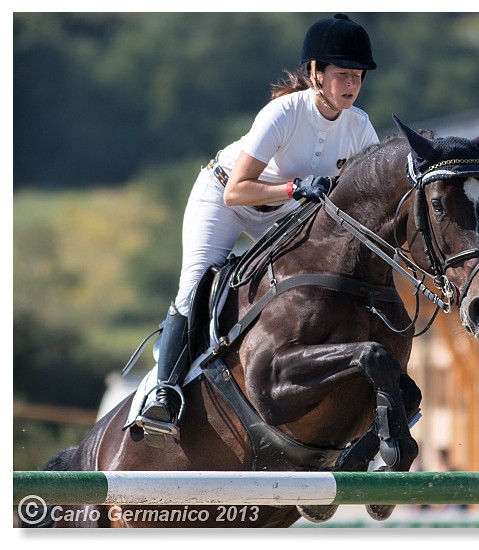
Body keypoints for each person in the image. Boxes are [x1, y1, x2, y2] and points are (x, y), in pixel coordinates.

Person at [137, 13, 379, 441]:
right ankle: (165, 392)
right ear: (316, 74)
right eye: (342, 74)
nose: (352, 85)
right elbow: (237, 190)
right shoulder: (284, 112)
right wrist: (295, 187)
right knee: (195, 285)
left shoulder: (359, 126)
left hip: (284, 212)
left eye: (358, 76)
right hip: (227, 198)